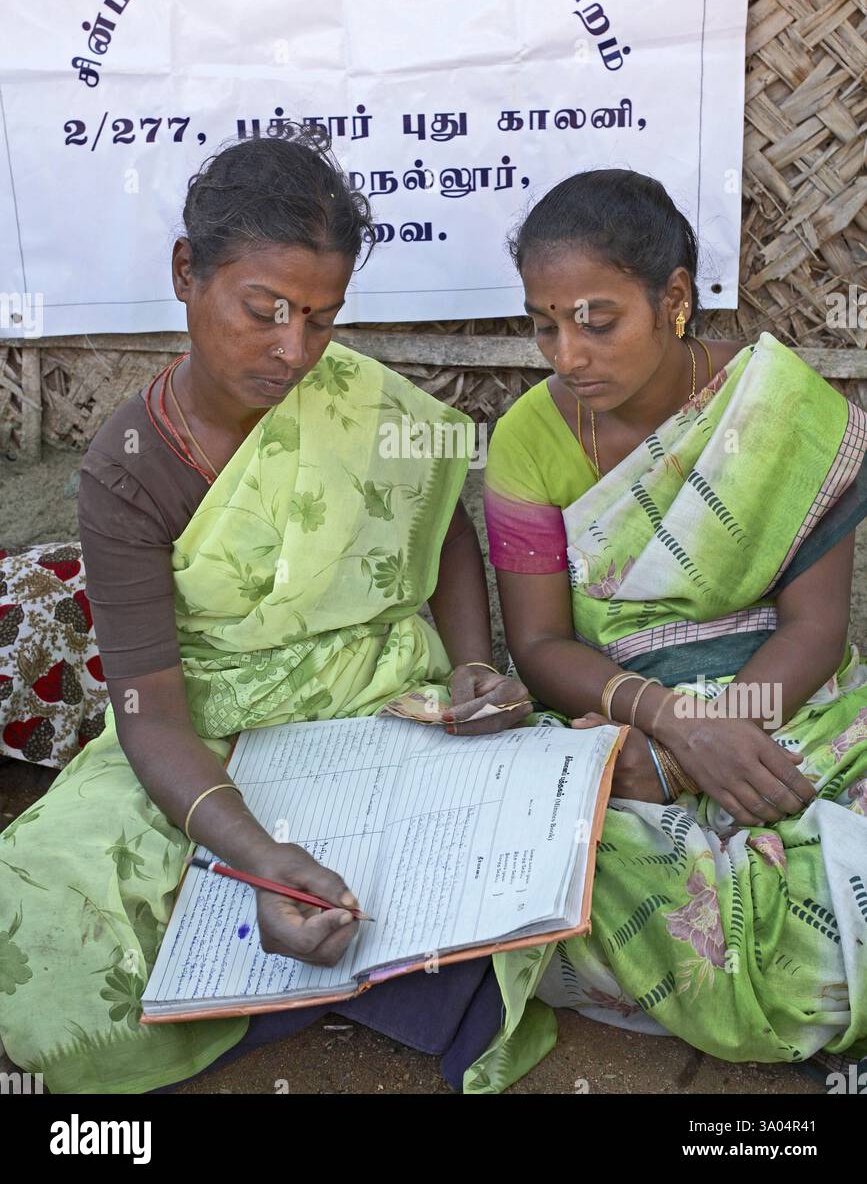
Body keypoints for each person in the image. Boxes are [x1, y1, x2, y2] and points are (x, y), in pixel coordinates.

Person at [0, 125, 531, 1094]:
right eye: (266, 309)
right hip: (209, 722)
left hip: (379, 697)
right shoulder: (127, 468)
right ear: (185, 274)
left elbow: (446, 528)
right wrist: (260, 857)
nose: (295, 350)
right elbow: (152, 713)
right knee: (47, 897)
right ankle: (362, 965)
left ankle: (295, 965)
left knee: (548, 835)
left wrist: (467, 665)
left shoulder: (365, 402)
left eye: (322, 319)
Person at [467, 168, 867, 1093]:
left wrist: (728, 726)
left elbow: (813, 625)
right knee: (545, 863)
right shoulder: (530, 439)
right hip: (632, 727)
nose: (566, 353)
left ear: (674, 298)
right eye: (543, 323)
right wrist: (676, 737)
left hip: (789, 694)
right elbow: (538, 646)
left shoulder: (778, 412)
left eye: (596, 321)